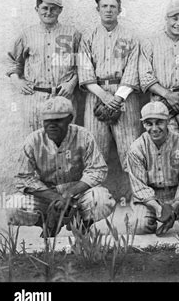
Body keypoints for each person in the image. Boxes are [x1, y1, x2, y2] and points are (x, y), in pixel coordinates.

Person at [6, 97, 115, 235]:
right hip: (47, 197)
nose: (51, 125)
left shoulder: (83, 136)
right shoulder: (33, 140)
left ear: (70, 118)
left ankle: (82, 223)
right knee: (13, 206)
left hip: (78, 196)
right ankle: (49, 222)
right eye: (47, 120)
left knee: (102, 200)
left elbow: (97, 170)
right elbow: (23, 178)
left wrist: (69, 194)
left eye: (57, 120)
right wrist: (55, 197)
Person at [78, 0, 142, 171]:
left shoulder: (130, 36)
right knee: (94, 150)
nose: (108, 10)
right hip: (96, 93)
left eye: (113, 6)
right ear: (97, 9)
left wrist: (118, 98)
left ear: (119, 10)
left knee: (131, 149)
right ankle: (94, 197)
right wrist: (104, 96)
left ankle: (137, 197)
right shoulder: (88, 38)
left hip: (125, 95)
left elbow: (133, 69)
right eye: (104, 6)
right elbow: (84, 70)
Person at [127, 101, 179, 235]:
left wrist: (173, 208)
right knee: (138, 226)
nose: (154, 128)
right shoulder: (136, 148)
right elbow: (139, 187)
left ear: (167, 121)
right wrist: (158, 208)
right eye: (149, 123)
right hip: (150, 199)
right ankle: (152, 227)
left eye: (159, 122)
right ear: (143, 124)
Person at [6, 0, 81, 134]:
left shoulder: (73, 34)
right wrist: (17, 81)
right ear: (37, 9)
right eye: (45, 8)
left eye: (53, 8)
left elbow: (83, 64)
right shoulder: (27, 34)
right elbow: (13, 61)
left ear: (60, 10)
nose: (49, 12)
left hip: (63, 96)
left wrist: (71, 83)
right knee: (36, 142)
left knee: (65, 142)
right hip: (35, 98)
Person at [140, 1, 179, 151]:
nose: (178, 23)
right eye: (175, 18)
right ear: (166, 18)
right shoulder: (150, 43)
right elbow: (145, 75)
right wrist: (168, 95)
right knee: (166, 147)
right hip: (161, 101)